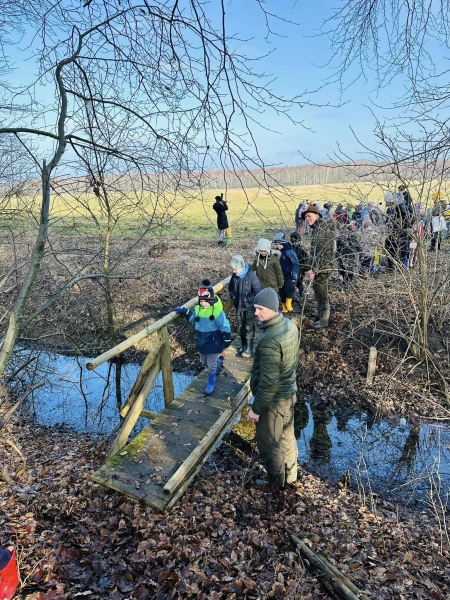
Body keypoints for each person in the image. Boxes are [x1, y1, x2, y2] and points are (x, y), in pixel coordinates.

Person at [247, 287, 299, 489]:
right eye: (255, 308)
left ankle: (276, 484)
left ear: (271, 308)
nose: (256, 313)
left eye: (260, 308)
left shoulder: (270, 340)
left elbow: (269, 383)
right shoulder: (289, 326)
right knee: (287, 437)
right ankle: (290, 476)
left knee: (270, 444)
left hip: (274, 402)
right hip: (288, 394)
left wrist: (256, 409)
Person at [174, 279, 232, 395]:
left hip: (214, 341)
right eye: (201, 301)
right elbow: (193, 320)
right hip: (202, 341)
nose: (203, 303)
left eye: (206, 301)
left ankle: (211, 382)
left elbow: (224, 325)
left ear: (211, 300)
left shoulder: (216, 312)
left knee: (210, 365)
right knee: (203, 361)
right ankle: (217, 365)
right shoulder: (198, 309)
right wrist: (185, 311)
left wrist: (227, 338)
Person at [302, 205, 336, 329]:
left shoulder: (322, 231)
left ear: (317, 216)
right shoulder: (317, 229)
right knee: (318, 290)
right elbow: (315, 253)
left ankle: (324, 320)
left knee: (322, 293)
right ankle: (320, 313)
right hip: (319, 267)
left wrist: (315, 270)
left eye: (309, 216)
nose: (307, 219)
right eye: (306, 217)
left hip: (324, 267)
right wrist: (310, 268)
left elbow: (323, 253)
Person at [229, 255, 261, 358]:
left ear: (241, 267)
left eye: (235, 269)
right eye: (233, 269)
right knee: (241, 327)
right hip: (239, 306)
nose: (234, 271)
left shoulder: (251, 276)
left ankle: (249, 349)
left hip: (249, 307)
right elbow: (230, 287)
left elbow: (258, 291)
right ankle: (243, 346)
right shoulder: (234, 276)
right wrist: (232, 295)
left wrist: (248, 299)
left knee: (248, 327)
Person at [272, 232, 300, 313]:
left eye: (278, 244)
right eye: (276, 245)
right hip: (279, 275)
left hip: (289, 274)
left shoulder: (289, 252)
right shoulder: (275, 253)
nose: (277, 246)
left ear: (283, 243)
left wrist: (294, 274)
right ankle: (283, 305)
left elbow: (296, 263)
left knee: (290, 288)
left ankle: (288, 303)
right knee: (281, 290)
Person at [289, 230, 310, 301]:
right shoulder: (291, 247)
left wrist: (306, 269)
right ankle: (291, 296)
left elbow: (306, 259)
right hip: (292, 268)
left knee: (299, 282)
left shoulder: (302, 248)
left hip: (300, 268)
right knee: (292, 283)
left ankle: (301, 295)